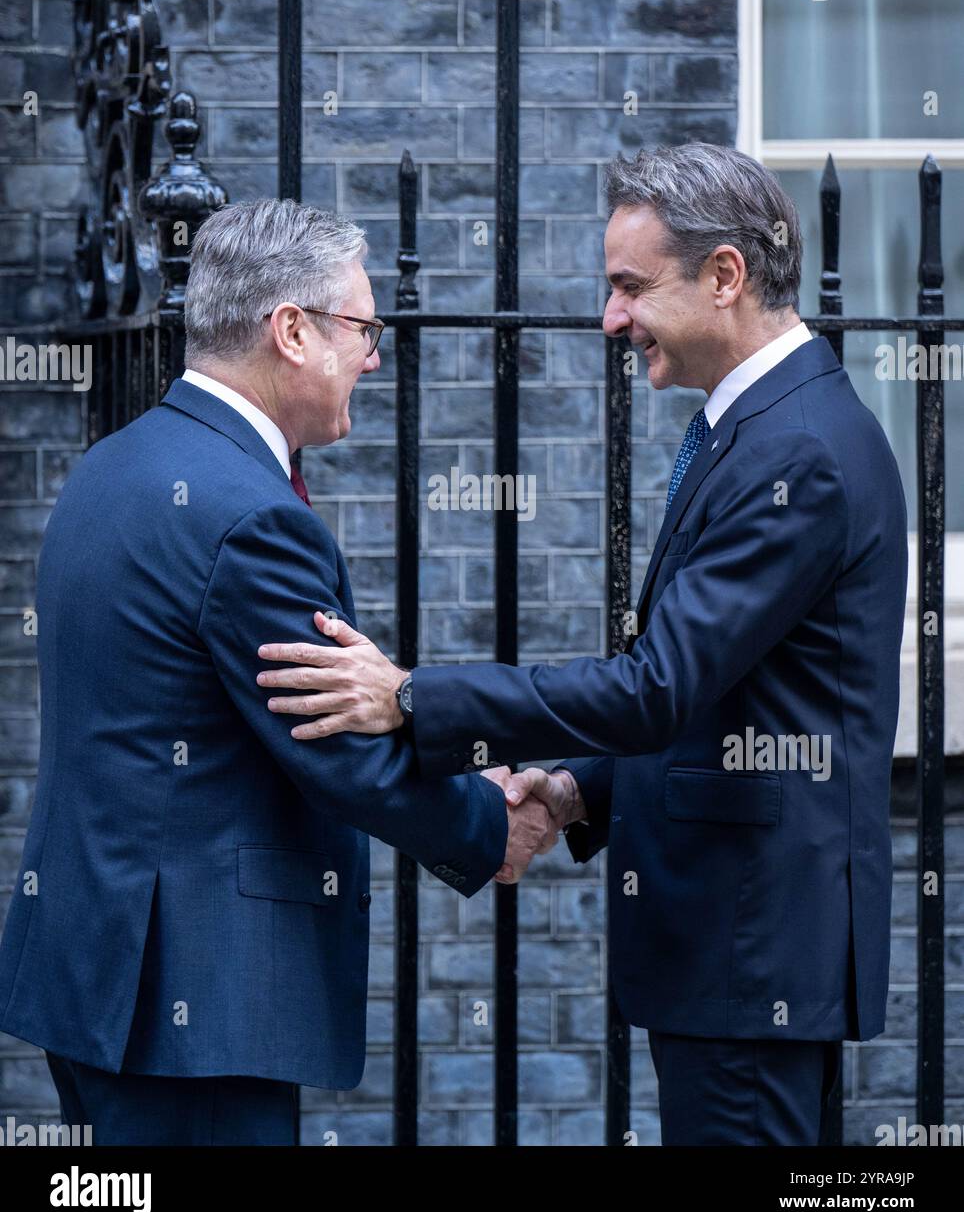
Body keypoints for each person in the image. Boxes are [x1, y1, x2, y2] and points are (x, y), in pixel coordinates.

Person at [255, 144, 909, 1146]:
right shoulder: (769, 429)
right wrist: (574, 789)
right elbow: (720, 696)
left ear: (725, 275)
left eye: (629, 287)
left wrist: (413, 697)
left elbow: (657, 686)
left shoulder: (797, 452)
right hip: (740, 952)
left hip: (747, 954)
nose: (610, 320)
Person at [0, 199, 557, 1146]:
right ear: (291, 331)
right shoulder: (252, 517)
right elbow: (333, 742)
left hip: (93, 973)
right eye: (362, 328)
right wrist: (487, 826)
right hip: (195, 1003)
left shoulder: (110, 467)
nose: (374, 356)